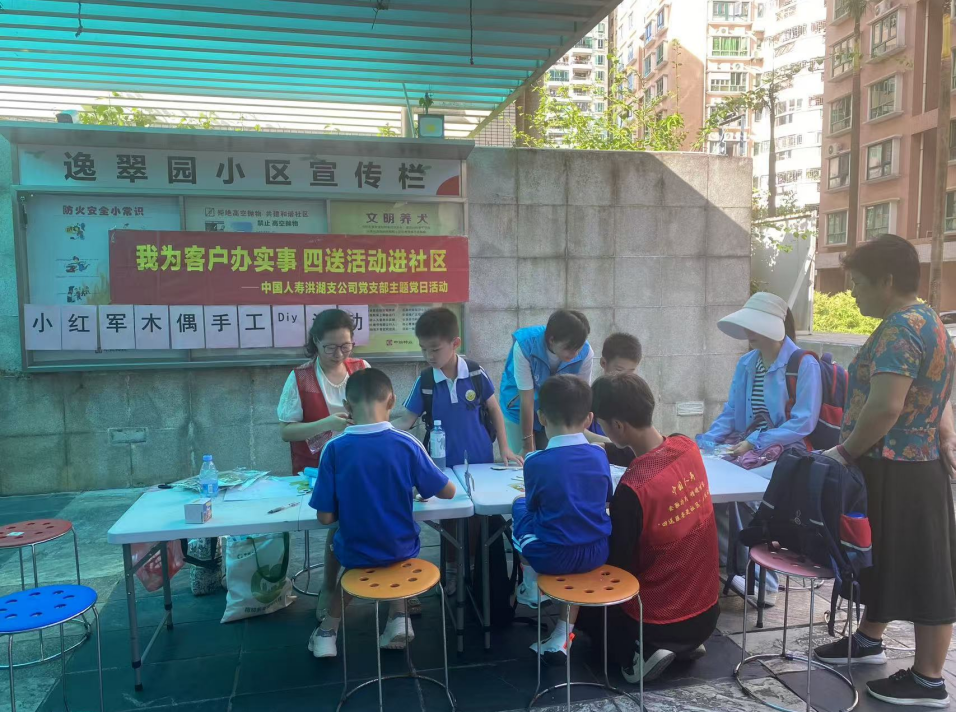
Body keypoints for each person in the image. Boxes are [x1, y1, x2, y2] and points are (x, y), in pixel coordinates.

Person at [812, 235, 956, 708]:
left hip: (899, 469)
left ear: (887, 281)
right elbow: (934, 390)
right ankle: (870, 638)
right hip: (913, 466)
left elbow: (887, 406)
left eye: (858, 283)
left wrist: (845, 452)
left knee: (923, 569)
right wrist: (946, 433)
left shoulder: (900, 329)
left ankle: (928, 680)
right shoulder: (929, 320)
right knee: (887, 559)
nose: (853, 293)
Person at [576, 373, 720, 683]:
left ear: (617, 426)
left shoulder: (633, 488)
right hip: (708, 612)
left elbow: (618, 567)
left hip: (657, 621)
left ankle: (639, 652)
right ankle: (684, 645)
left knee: (586, 607)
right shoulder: (686, 446)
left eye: (601, 424)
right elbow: (640, 452)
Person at [308, 368, 457, 658]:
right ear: (392, 401)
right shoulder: (407, 444)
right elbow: (447, 492)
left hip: (355, 549)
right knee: (394, 556)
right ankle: (399, 617)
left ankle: (327, 632)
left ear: (347, 406)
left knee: (355, 564)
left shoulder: (334, 449)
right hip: (401, 547)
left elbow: (325, 518)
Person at [701, 292, 823, 607]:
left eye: (755, 325)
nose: (749, 332)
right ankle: (733, 566)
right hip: (746, 449)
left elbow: (803, 422)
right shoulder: (747, 363)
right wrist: (706, 442)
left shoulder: (804, 364)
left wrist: (756, 442)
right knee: (713, 494)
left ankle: (764, 581)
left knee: (750, 499)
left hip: (787, 454)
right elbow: (732, 413)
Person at [392, 307, 522, 590]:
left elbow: (495, 410)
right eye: (424, 349)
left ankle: (474, 571)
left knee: (477, 519)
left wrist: (505, 448)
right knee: (450, 519)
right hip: (441, 466)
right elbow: (407, 420)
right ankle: (451, 570)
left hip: (480, 463)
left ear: (455, 343)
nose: (429, 355)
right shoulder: (426, 381)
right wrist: (376, 427)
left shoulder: (475, 372)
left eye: (435, 349)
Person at [511, 375, 613, 662]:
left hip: (553, 556)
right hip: (597, 552)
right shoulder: (599, 455)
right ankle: (561, 636)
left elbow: (533, 506)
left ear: (541, 417)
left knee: (519, 509)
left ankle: (531, 585)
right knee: (574, 534)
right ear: (589, 419)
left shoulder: (535, 461)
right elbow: (606, 498)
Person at [277, 309, 369, 622]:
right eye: (330, 347)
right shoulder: (300, 377)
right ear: (315, 341)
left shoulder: (361, 370)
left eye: (346, 346)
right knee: (340, 521)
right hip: (316, 470)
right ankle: (331, 588)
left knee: (368, 517)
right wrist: (327, 423)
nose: (339, 354)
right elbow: (287, 431)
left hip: (360, 466)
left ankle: (389, 589)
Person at [499, 310, 595, 457]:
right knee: (522, 459)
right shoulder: (525, 346)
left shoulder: (586, 353)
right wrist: (527, 446)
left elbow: (580, 398)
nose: (575, 354)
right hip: (518, 406)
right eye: (569, 348)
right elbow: (527, 400)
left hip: (555, 410)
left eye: (578, 348)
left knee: (555, 456)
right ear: (551, 340)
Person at [590, 333, 643, 466]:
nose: (625, 377)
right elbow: (577, 431)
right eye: (619, 370)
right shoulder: (590, 396)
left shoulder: (635, 397)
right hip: (596, 459)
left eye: (631, 371)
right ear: (603, 363)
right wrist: (613, 445)